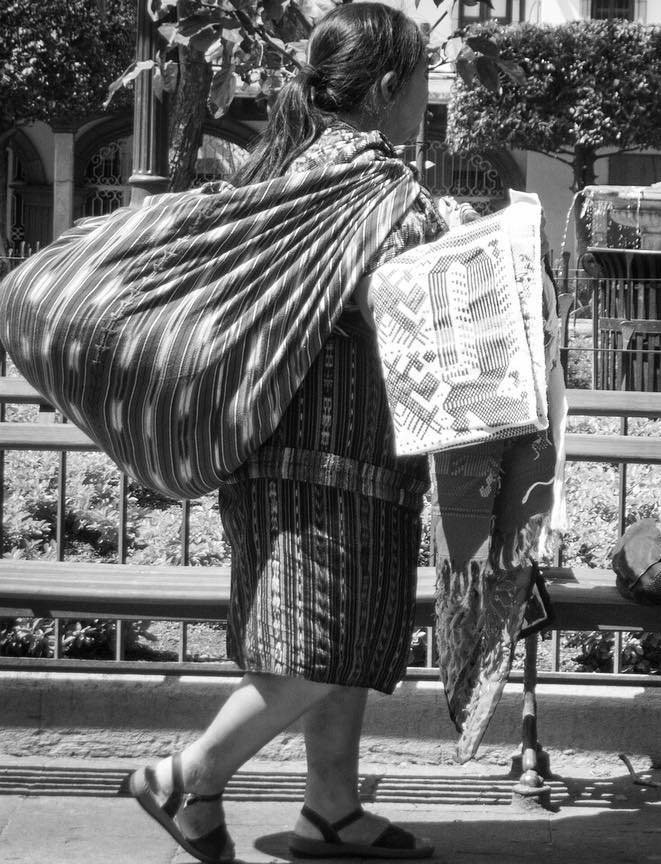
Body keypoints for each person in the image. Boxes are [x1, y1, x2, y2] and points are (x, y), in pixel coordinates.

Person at [127, 5, 443, 861]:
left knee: (325, 643)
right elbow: (410, 318)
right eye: (420, 78)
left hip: (273, 449)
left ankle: (331, 808)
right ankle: (187, 773)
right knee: (319, 647)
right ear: (388, 89)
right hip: (342, 459)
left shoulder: (284, 171)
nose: (426, 93)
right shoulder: (377, 193)